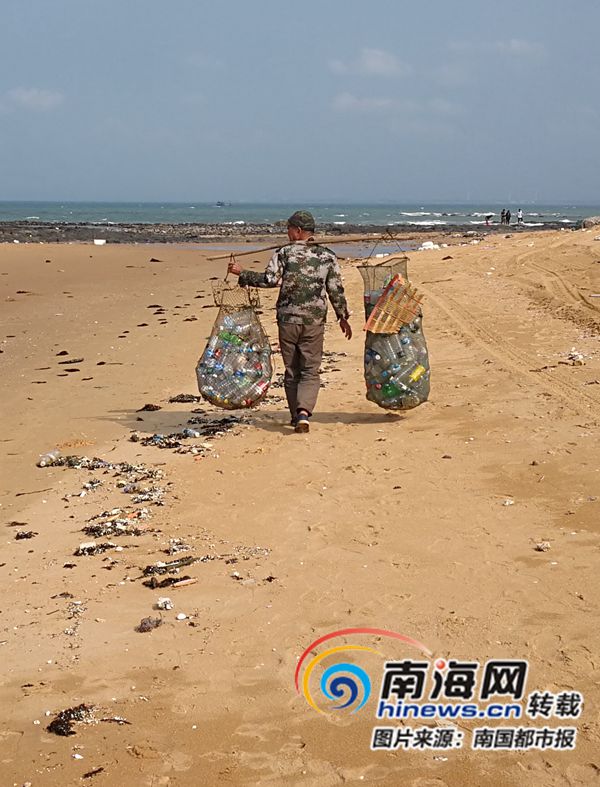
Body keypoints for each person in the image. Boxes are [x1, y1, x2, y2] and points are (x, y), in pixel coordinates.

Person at [227, 210, 352, 434]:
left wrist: (242, 273)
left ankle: (296, 415)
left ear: (298, 231)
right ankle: (303, 413)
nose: (287, 233)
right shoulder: (328, 256)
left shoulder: (284, 253)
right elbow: (335, 289)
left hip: (287, 320)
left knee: (292, 369)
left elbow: (269, 280)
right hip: (314, 321)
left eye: (288, 229)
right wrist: (342, 317)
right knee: (310, 369)